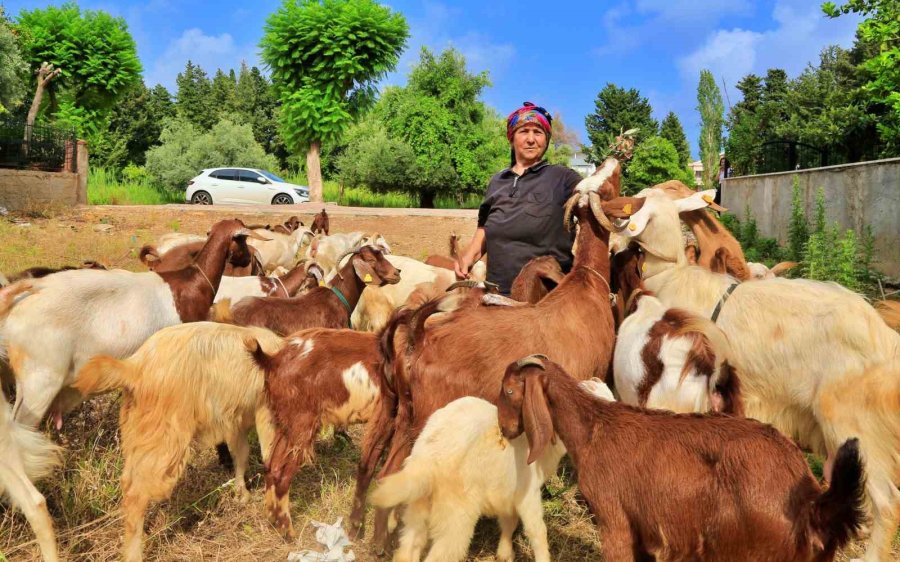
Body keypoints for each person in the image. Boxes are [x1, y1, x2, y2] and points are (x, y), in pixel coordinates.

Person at [455, 102, 584, 295]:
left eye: (538, 133)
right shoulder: (497, 181)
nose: (531, 139)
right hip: (498, 294)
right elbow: (484, 229)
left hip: (548, 298)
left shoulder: (563, 178)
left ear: (546, 140)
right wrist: (469, 257)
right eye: (524, 131)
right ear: (512, 138)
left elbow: (594, 198)